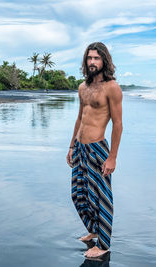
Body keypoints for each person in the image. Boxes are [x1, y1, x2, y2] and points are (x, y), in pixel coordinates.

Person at [66, 42, 123, 258]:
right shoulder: (83, 87)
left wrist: (112, 157)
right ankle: (93, 230)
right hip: (80, 147)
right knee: (78, 194)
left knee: (101, 198)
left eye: (96, 58)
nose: (92, 62)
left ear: (104, 61)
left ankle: (104, 243)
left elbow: (118, 124)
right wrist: (71, 145)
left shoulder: (112, 88)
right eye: (89, 58)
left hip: (98, 149)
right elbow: (80, 118)